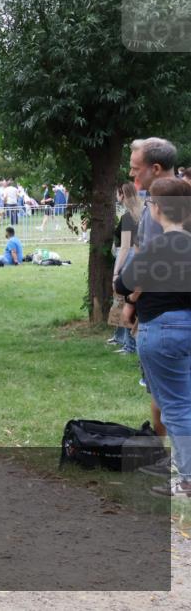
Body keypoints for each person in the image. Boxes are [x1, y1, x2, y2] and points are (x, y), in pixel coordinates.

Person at [116, 177, 191, 497]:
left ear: (158, 209)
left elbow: (122, 284)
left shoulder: (155, 248)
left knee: (175, 407)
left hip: (161, 330)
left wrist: (132, 297)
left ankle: (187, 479)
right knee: (181, 402)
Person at [127, 137, 179, 442]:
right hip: (168, 314)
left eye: (136, 169)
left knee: (167, 397)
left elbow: (152, 263)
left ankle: (167, 458)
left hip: (161, 316)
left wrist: (131, 300)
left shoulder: (166, 205)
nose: (132, 175)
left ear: (156, 168)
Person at [108, 183, 141, 352]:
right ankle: (122, 338)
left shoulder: (128, 217)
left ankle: (130, 344)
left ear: (122, 195)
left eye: (117, 193)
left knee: (125, 300)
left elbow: (126, 247)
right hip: (138, 259)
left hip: (128, 260)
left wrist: (116, 273)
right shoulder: (143, 213)